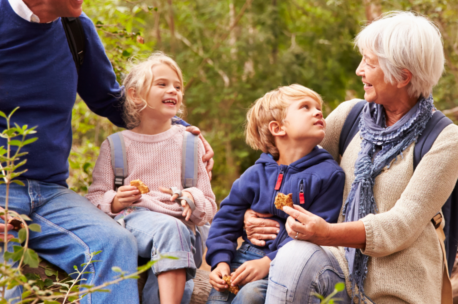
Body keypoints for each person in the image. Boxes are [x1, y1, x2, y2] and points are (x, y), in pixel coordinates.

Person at [0, 0, 214, 302]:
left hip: (51, 194)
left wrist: (182, 131)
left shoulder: (76, 28)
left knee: (115, 244)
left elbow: (113, 102)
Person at [244, 11, 458, 304]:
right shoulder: (350, 116)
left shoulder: (446, 139)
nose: (359, 70)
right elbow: (289, 166)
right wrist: (250, 210)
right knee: (292, 256)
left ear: (402, 76)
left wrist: (327, 233)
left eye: (369, 63)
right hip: (337, 268)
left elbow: (401, 225)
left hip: (396, 291)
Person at [86, 53, 217, 304]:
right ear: (135, 95)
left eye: (178, 87)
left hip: (186, 233)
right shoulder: (116, 145)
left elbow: (210, 208)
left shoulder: (191, 143)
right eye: (162, 84)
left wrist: (194, 198)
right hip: (134, 222)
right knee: (171, 228)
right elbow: (94, 198)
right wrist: (115, 201)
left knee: (175, 229)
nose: (173, 91)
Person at [204, 84, 346, 304]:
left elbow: (319, 232)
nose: (318, 112)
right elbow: (226, 219)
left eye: (319, 108)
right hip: (243, 257)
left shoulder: (329, 175)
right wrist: (220, 262)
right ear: (278, 128)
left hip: (289, 267)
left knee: (250, 296)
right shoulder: (256, 173)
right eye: (305, 107)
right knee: (219, 296)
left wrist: (268, 262)